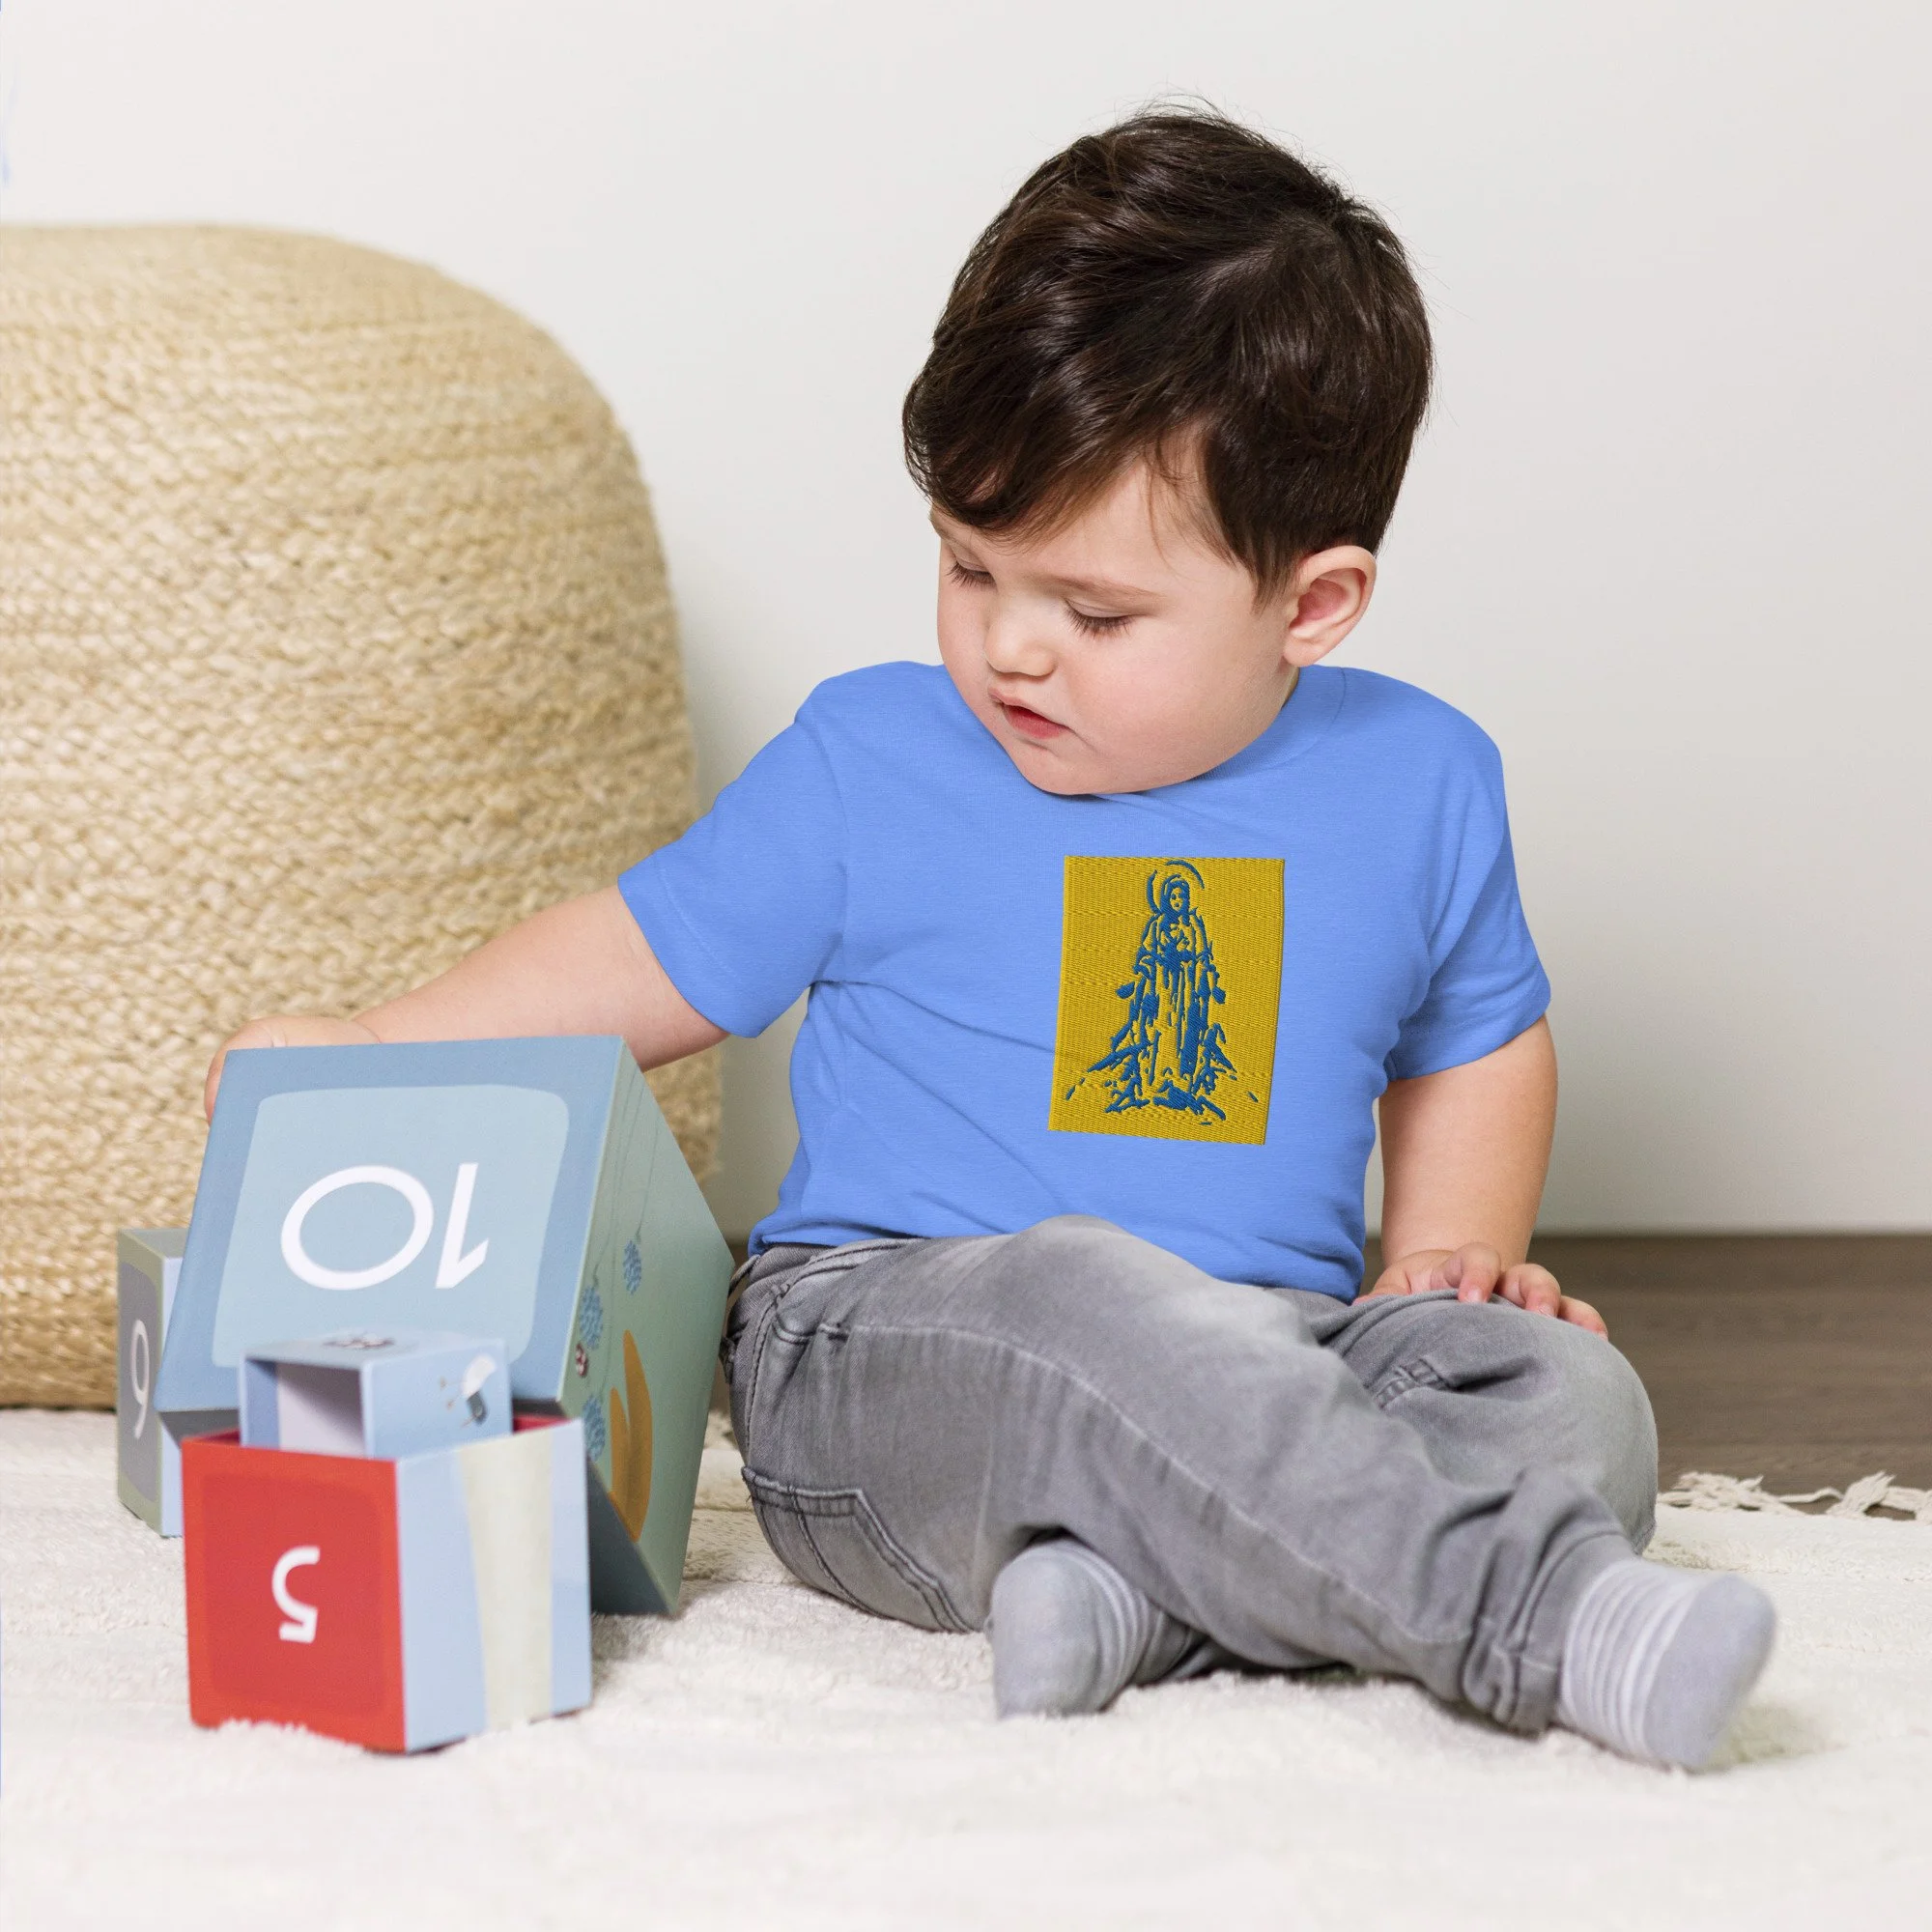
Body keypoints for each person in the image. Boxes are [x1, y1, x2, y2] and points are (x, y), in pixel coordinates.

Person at [208, 109, 1775, 1769]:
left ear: (1310, 605)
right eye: (969, 566)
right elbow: (637, 957)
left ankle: (1144, 1603)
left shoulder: (1421, 780)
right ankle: (1519, 1616)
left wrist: (1443, 1261)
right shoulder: (868, 760)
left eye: (1093, 612)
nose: (1011, 648)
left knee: (1568, 1394)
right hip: (889, 1349)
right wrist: (373, 1051)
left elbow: (1478, 1034)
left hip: (1281, 1349)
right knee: (1082, 1289)